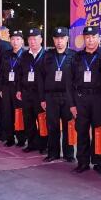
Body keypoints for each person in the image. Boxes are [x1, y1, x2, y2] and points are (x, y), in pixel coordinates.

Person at [67, 26, 101, 174]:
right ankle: (82, 162)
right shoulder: (76, 57)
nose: (90, 40)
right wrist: (72, 104)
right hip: (81, 98)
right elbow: (69, 82)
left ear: (99, 38)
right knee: (82, 130)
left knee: (98, 130)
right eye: (87, 37)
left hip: (98, 99)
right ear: (84, 39)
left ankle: (98, 162)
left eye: (93, 37)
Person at [38, 26, 76, 163]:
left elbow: (77, 79)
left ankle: (68, 154)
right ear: (53, 40)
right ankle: (53, 153)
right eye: (57, 38)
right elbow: (40, 78)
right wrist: (42, 98)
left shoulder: (74, 56)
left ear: (67, 39)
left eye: (62, 38)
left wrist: (75, 100)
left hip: (68, 97)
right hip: (51, 96)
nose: (59, 41)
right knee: (52, 126)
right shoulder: (47, 55)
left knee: (68, 126)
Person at [17, 27, 47, 154]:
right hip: (26, 92)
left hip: (40, 94)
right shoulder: (24, 55)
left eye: (35, 39)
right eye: (30, 39)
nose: (32, 42)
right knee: (28, 119)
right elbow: (19, 74)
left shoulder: (47, 55)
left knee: (42, 120)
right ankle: (32, 143)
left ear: (41, 40)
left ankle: (43, 145)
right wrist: (19, 90)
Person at [0, 30, 26, 147]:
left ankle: (21, 138)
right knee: (7, 113)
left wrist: (21, 89)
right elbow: (2, 72)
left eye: (18, 39)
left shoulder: (26, 55)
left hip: (19, 89)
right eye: (13, 39)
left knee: (19, 113)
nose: (15, 42)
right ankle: (9, 138)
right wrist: (1, 88)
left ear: (22, 41)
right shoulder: (6, 54)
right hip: (6, 88)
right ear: (10, 41)